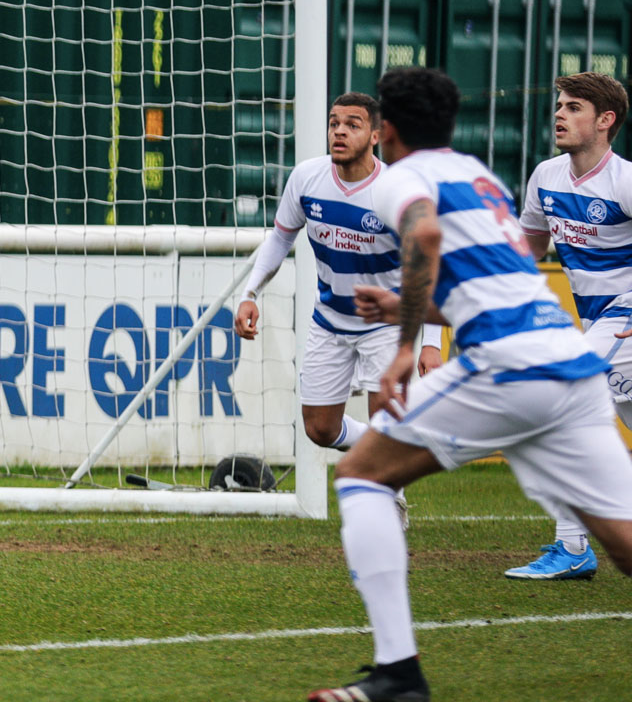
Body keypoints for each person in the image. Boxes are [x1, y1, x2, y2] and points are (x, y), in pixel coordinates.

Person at [310, 67, 632, 702]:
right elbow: (485, 289)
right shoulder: (479, 176)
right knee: (625, 544)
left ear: (387, 130)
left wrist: (404, 348)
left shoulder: (401, 179)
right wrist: (408, 308)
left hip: (509, 368)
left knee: (360, 476)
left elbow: (424, 233)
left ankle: (398, 674)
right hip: (567, 363)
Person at [234, 94, 442, 507]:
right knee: (320, 430)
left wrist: (432, 340)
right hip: (329, 321)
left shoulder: (395, 191)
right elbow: (280, 238)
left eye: (352, 124)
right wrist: (250, 293)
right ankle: (392, 448)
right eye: (334, 123)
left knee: (385, 417)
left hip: (387, 324)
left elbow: (429, 267)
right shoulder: (308, 179)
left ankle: (390, 502)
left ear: (376, 135)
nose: (340, 132)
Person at [506, 72, 632, 580]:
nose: (559, 114)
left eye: (574, 107)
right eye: (559, 105)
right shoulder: (547, 176)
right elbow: (528, 246)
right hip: (597, 320)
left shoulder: (625, 181)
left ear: (606, 121)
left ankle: (573, 546)